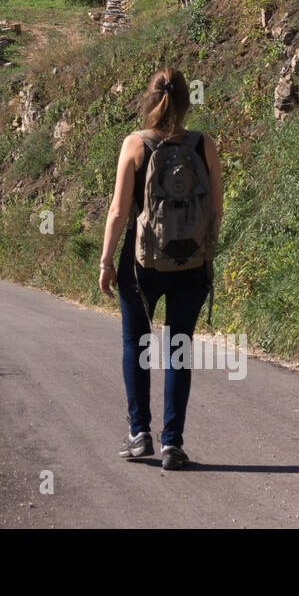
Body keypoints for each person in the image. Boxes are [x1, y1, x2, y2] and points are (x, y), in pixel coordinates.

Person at [98, 68, 223, 470]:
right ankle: (173, 444)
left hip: (142, 263)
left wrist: (105, 260)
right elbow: (217, 210)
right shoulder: (206, 146)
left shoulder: (135, 145)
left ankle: (140, 436)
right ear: (187, 103)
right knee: (179, 348)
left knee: (136, 344)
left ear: (150, 101)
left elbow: (118, 211)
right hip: (191, 262)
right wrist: (203, 251)